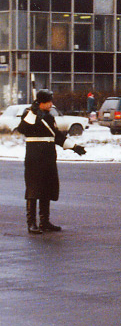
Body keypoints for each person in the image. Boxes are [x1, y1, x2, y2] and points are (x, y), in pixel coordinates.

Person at [17, 89, 86, 235]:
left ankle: (44, 221)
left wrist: (74, 147)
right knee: (33, 189)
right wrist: (32, 112)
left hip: (48, 156)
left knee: (47, 188)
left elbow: (57, 137)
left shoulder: (48, 117)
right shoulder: (30, 114)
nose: (51, 104)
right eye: (49, 101)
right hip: (34, 157)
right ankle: (31, 223)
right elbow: (23, 129)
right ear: (41, 102)